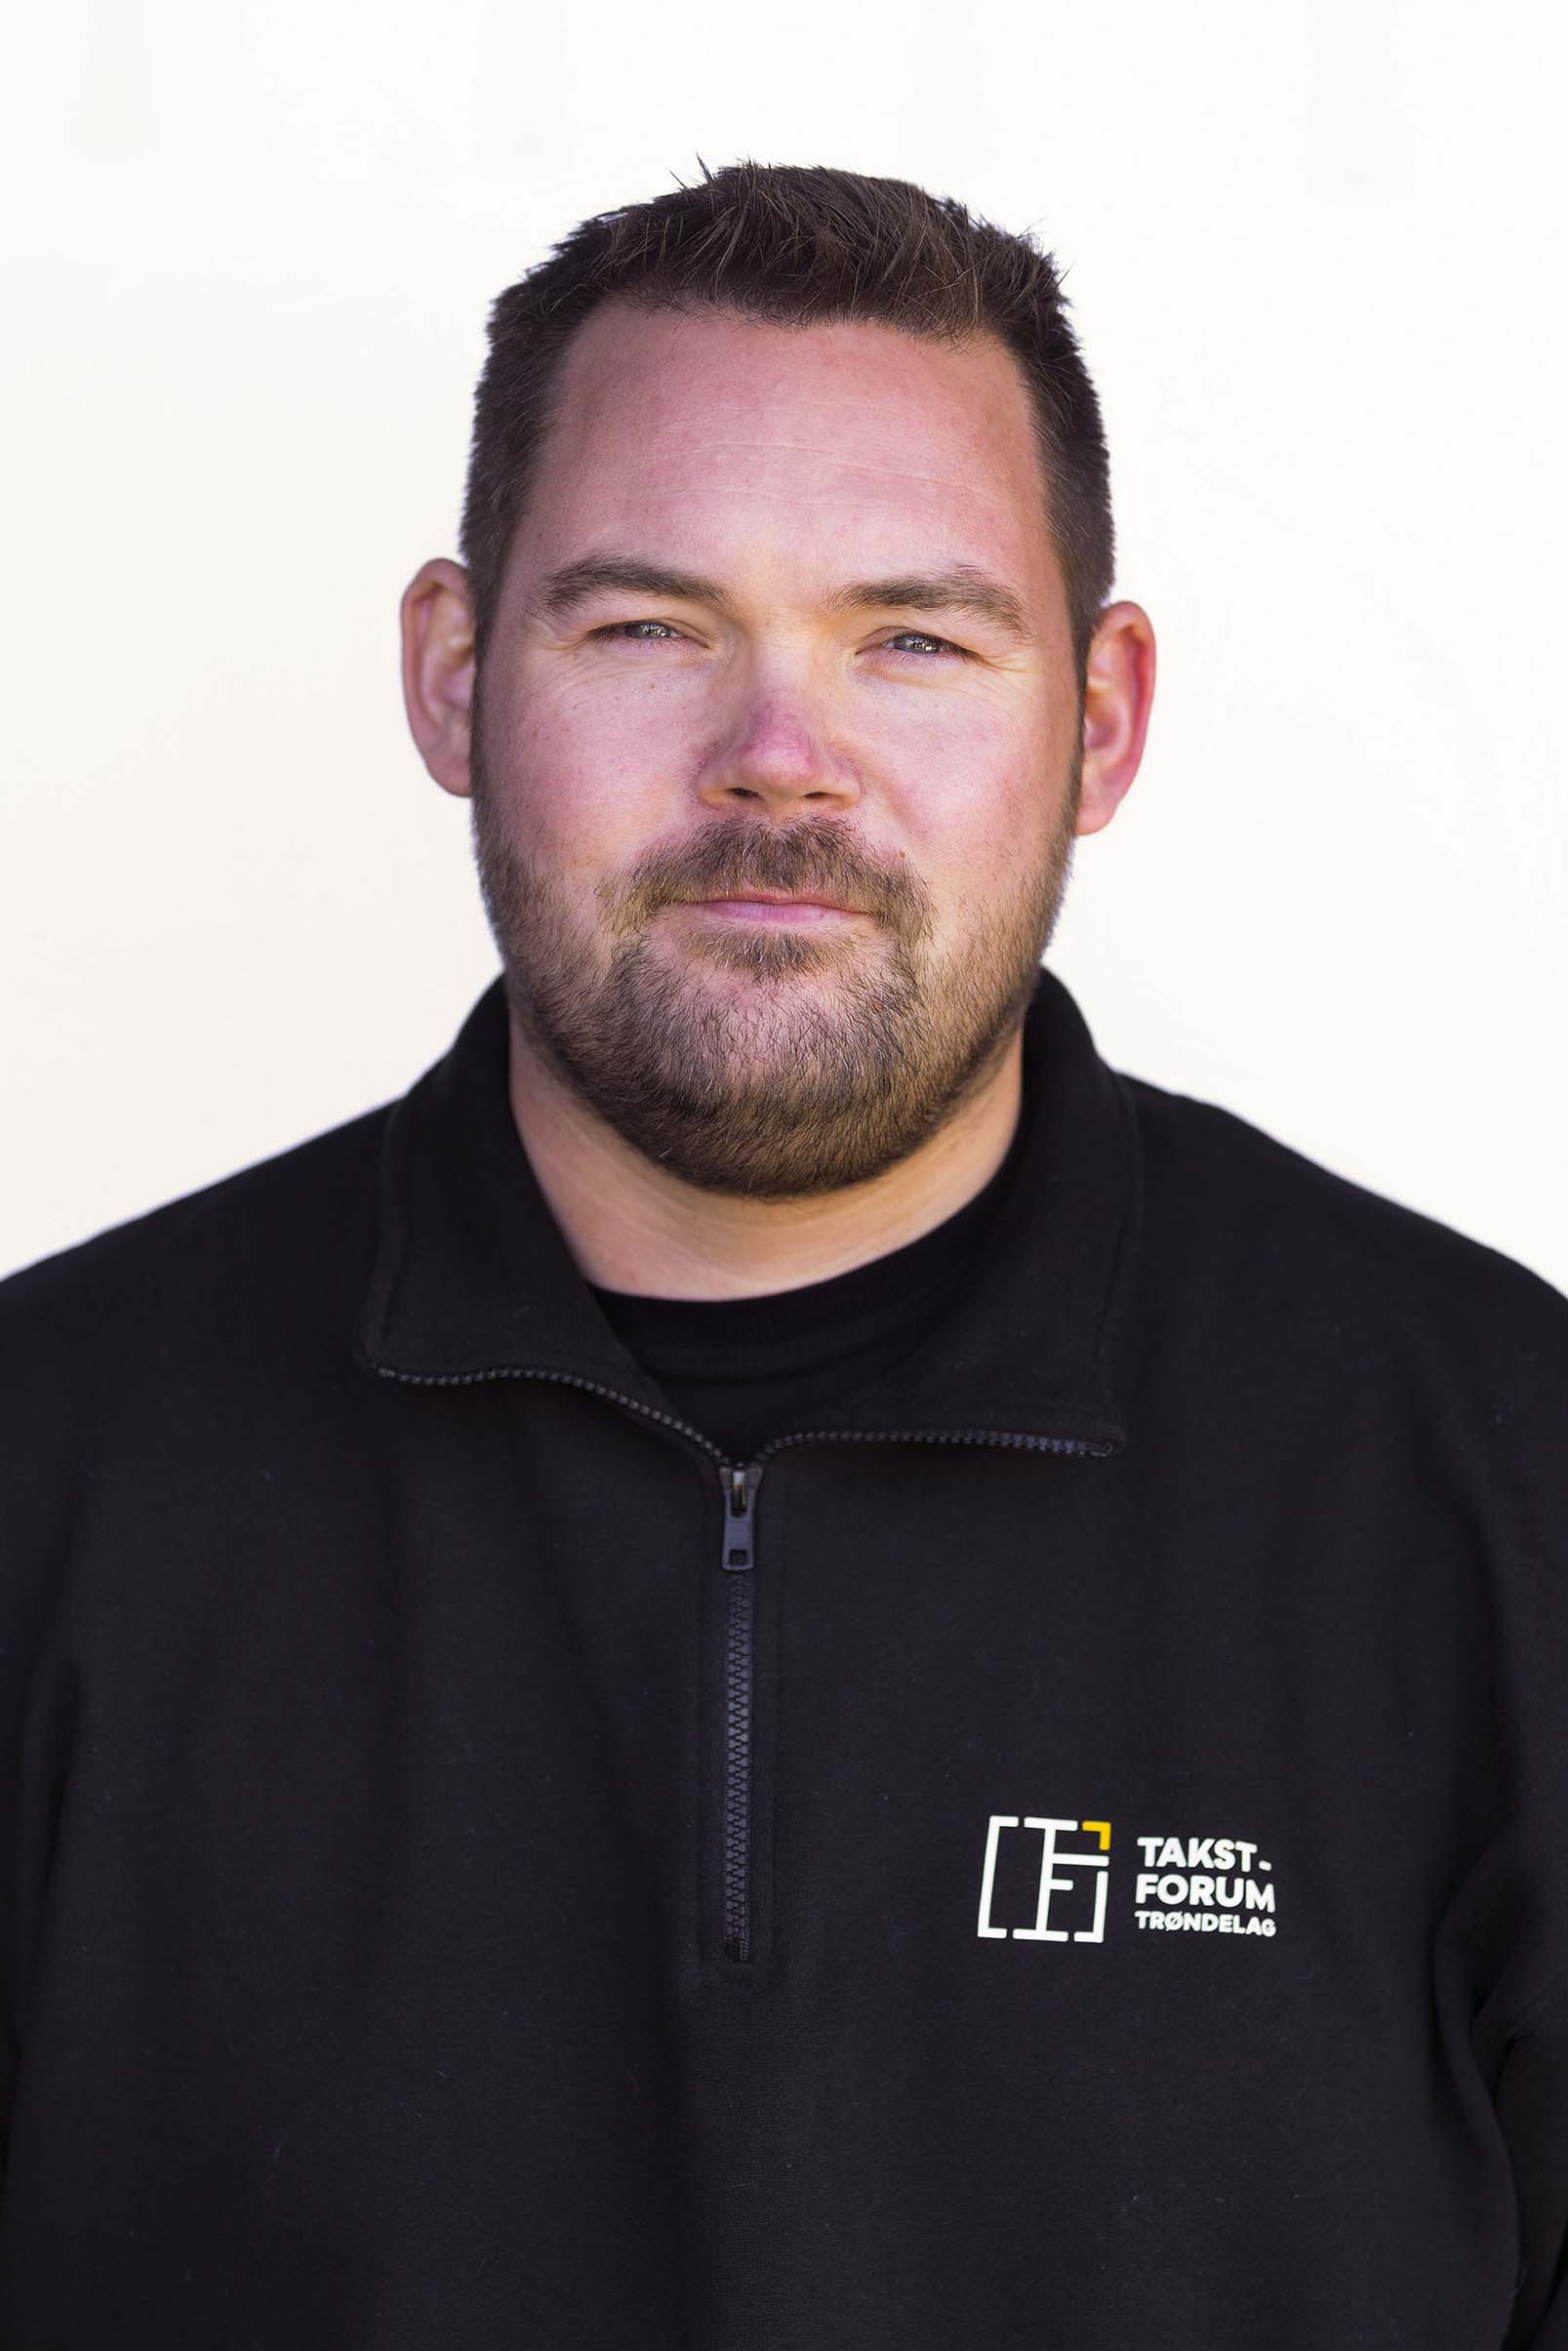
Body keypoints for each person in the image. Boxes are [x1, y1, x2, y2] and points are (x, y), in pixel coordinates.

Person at [0, 158, 1563, 2350]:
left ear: (1100, 718)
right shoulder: (45, 1475)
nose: (778, 766)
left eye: (913, 638)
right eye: (648, 628)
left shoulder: (1507, 1480)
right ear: (453, 676)